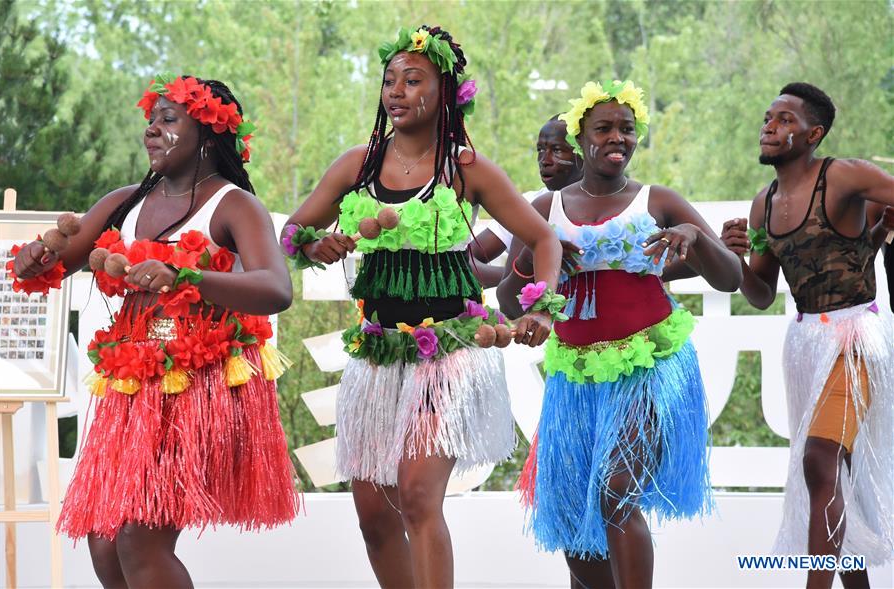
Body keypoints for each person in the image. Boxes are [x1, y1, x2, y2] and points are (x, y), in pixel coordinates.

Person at [281, 25, 561, 588]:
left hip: (450, 355)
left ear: (446, 92)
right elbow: (292, 232)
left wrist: (542, 308)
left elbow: (546, 239)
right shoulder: (357, 164)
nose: (397, 91)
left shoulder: (467, 169)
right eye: (390, 81)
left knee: (416, 496)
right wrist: (314, 244)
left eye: (414, 80)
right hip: (378, 355)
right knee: (373, 513)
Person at [10, 74, 299, 588]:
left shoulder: (233, 206)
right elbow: (62, 260)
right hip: (134, 385)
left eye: (169, 119)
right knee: (103, 540)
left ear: (209, 134)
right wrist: (36, 260)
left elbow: (276, 288)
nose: (152, 130)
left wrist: (188, 275)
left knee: (138, 540)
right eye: (150, 120)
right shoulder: (127, 202)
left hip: (199, 385)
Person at [499, 80, 742, 589]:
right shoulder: (548, 209)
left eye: (627, 129)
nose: (617, 137)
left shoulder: (658, 200)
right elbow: (506, 298)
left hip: (650, 365)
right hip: (576, 374)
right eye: (604, 128)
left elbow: (730, 278)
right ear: (579, 137)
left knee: (615, 491)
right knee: (573, 526)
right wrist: (532, 260)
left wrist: (695, 239)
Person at [720, 82, 894, 589]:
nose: (770, 126)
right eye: (768, 117)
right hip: (804, 343)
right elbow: (758, 292)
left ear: (813, 133)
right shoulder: (763, 203)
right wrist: (735, 257)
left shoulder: (843, 176)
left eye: (785, 120)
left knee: (820, 460)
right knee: (834, 472)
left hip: (855, 335)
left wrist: (883, 233)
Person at [469, 116, 582, 286]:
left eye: (557, 150)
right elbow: (466, 261)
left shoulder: (625, 205)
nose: (544, 160)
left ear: (585, 151)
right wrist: (527, 276)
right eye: (540, 150)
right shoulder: (526, 205)